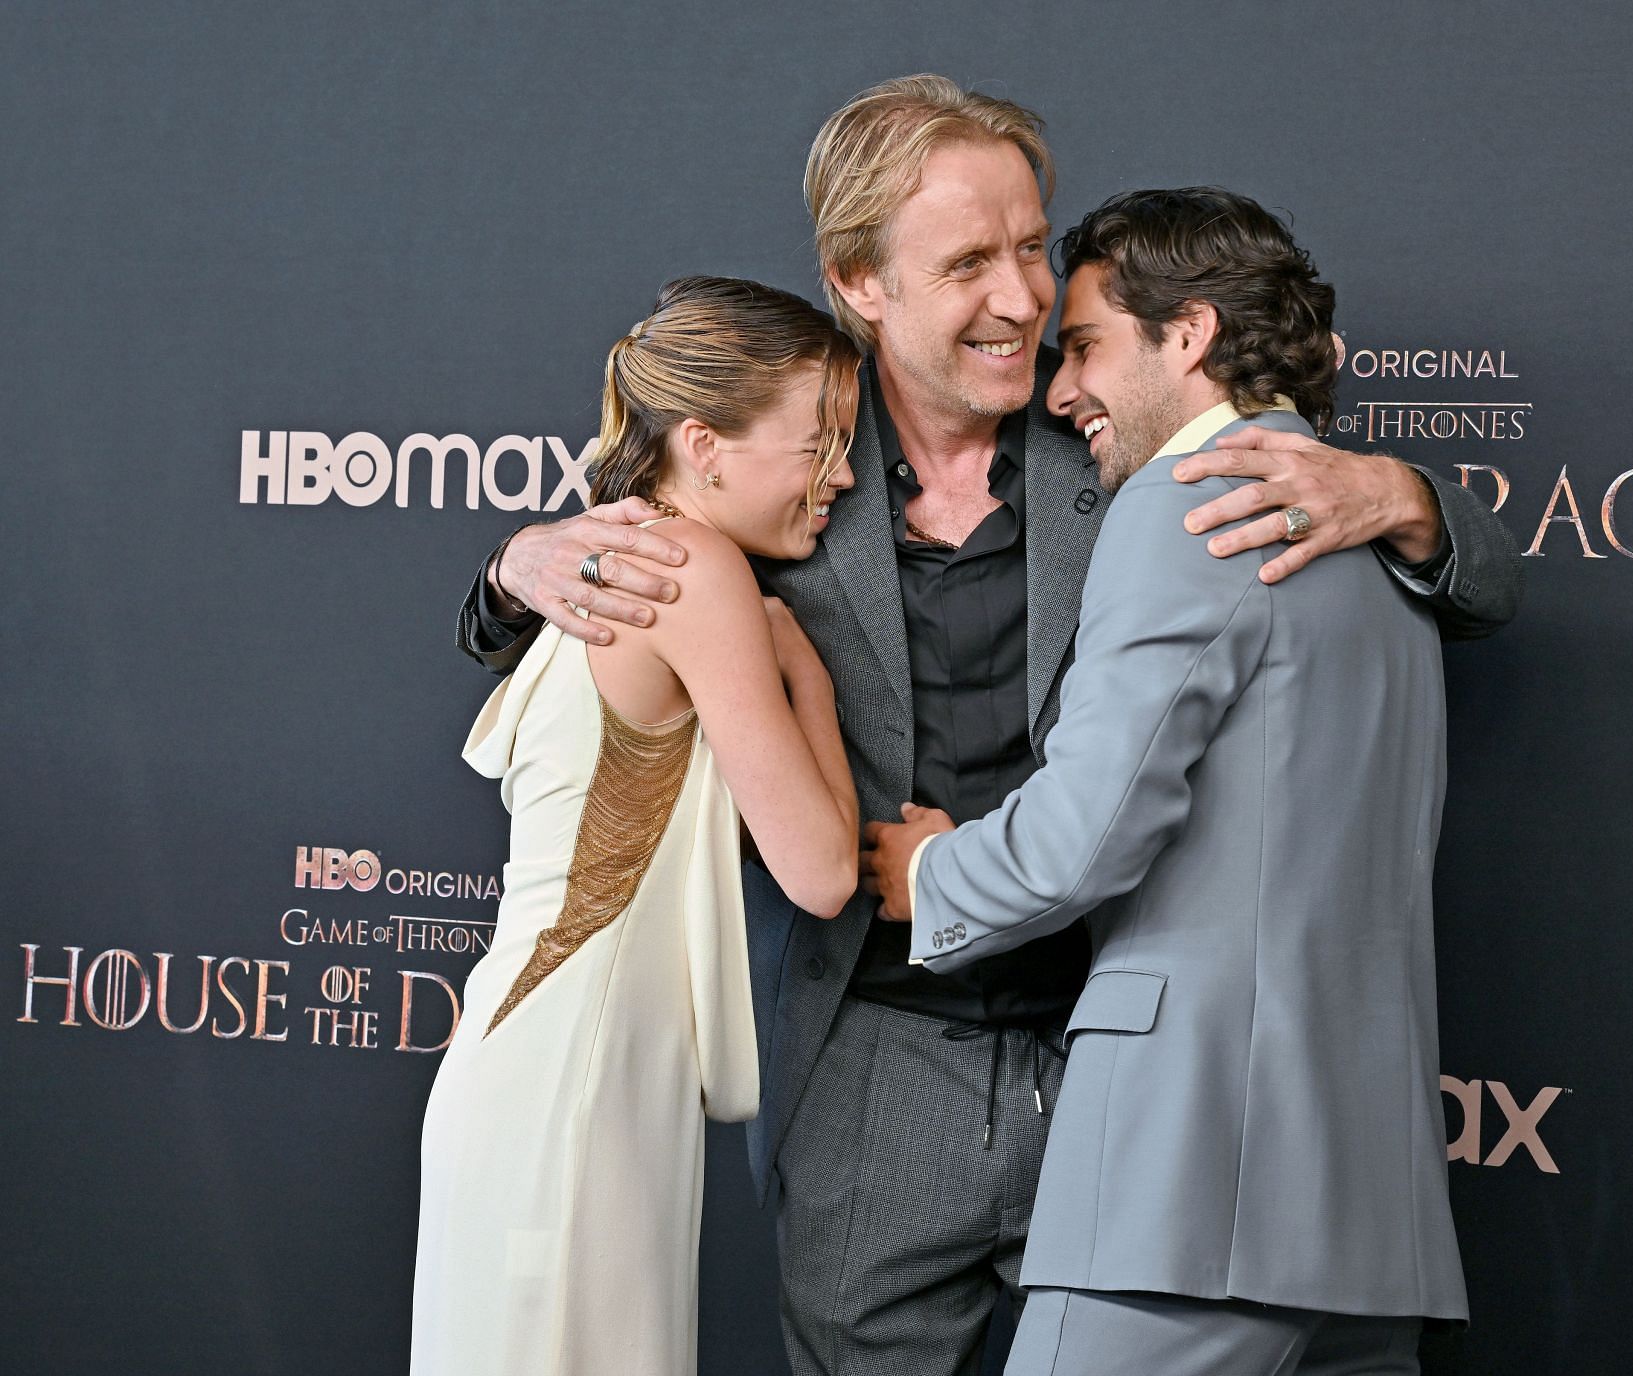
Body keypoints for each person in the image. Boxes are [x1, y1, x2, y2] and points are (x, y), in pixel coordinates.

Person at [456, 76, 1517, 1376]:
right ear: (862, 283)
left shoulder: (1135, 441)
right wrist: (513, 567)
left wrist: (1407, 495)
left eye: (1031, 244)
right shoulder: (785, 452)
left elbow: (1476, 585)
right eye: (970, 262)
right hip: (877, 1069)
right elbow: (622, 580)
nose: (1021, 297)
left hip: (1123, 1062)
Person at [864, 187, 1467, 1376]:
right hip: (1370, 1221)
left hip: (1188, 1195)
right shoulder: (1380, 538)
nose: (1059, 388)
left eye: (1084, 344)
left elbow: (1083, 837)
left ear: (1186, 336)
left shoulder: (1184, 506)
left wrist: (928, 868)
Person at [412, 276, 862, 1376]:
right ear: (705, 444)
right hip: (575, 1089)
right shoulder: (693, 569)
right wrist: (805, 674)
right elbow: (822, 870)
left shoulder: (609, 552)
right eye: (820, 442)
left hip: (561, 1073)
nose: (842, 474)